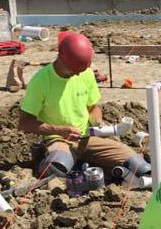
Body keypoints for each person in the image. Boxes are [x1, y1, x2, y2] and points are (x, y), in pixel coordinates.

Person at [18, 32, 150, 180]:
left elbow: (93, 107)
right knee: (56, 168)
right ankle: (57, 159)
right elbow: (25, 122)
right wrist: (59, 130)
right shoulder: (41, 81)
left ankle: (84, 164)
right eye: (73, 71)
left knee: (139, 166)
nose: (76, 75)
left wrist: (98, 122)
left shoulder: (85, 74)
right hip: (58, 140)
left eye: (80, 71)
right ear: (61, 58)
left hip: (87, 138)